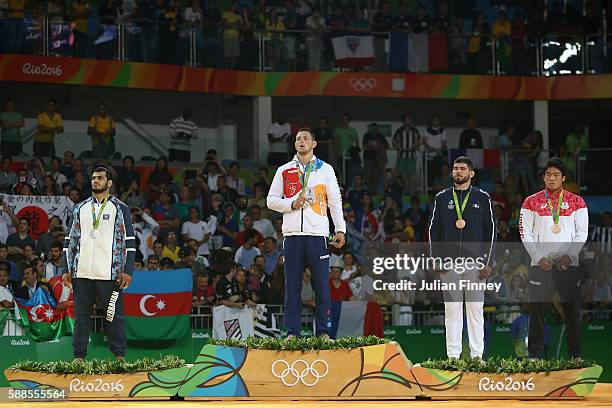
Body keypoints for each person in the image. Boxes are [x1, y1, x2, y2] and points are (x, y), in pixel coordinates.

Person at [267, 128, 346, 338]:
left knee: (321, 287)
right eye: (298, 139)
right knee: (292, 288)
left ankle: (323, 332)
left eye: (305, 138)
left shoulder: (325, 169)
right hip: (292, 236)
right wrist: (292, 204)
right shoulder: (284, 170)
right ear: (295, 144)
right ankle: (293, 332)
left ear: (314, 144)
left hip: (318, 235)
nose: (301, 141)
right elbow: (271, 200)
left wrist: (340, 229)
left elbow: (335, 201)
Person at [63, 166, 135, 361]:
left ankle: (119, 355)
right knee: (81, 317)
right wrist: (66, 269)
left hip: (109, 273)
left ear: (109, 183)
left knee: (114, 315)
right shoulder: (80, 208)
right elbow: (70, 240)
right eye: (94, 178)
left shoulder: (121, 209)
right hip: (82, 272)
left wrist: (128, 271)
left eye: (100, 178)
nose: (95, 181)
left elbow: (130, 242)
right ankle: (79, 356)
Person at [519, 158, 588, 360]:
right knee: (537, 311)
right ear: (543, 178)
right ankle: (535, 357)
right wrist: (538, 257)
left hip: (568, 264)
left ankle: (575, 356)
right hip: (541, 264)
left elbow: (581, 233)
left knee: (572, 310)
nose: (552, 178)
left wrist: (570, 256)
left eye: (556, 175)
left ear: (563, 178)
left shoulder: (577, 202)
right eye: (548, 174)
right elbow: (525, 233)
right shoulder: (531, 202)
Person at [428, 156, 495, 359]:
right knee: (452, 311)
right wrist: (436, 259)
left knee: (475, 311)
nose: (458, 172)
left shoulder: (482, 197)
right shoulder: (442, 198)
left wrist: (488, 262)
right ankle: (453, 357)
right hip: (449, 264)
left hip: (475, 263)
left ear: (471, 173)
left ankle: (476, 357)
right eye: (455, 168)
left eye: (462, 169)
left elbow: (489, 231)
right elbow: (434, 230)